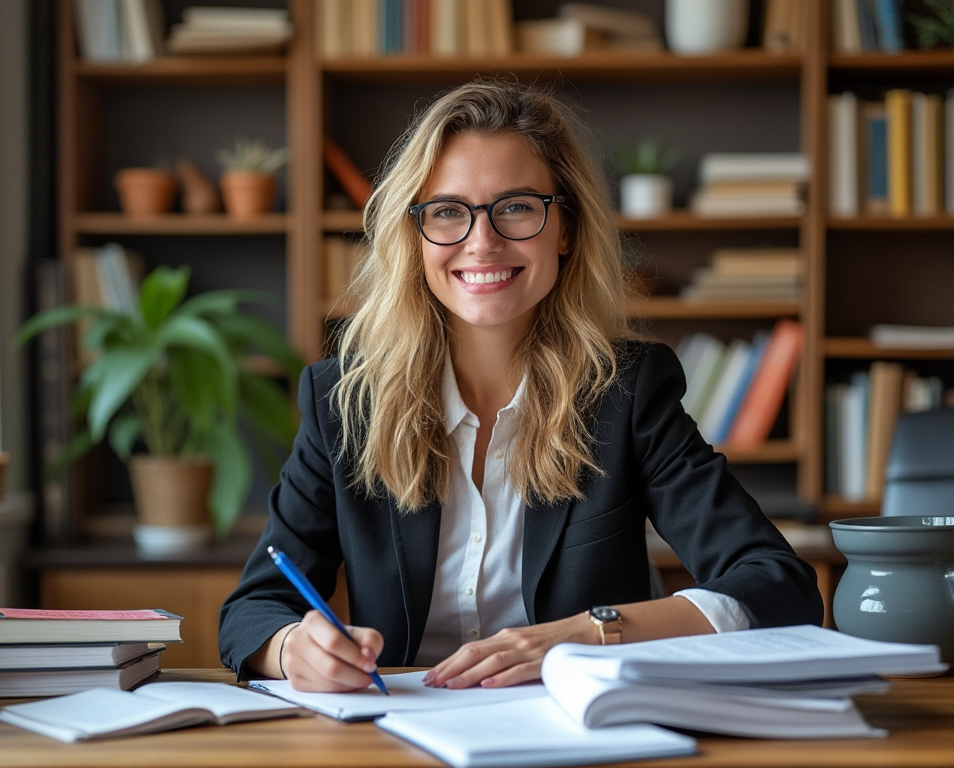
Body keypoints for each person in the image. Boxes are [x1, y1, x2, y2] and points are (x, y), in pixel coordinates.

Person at [218, 77, 823, 693]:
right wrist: (296, 648)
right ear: (414, 236)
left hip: (577, 731)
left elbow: (777, 585)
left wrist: (584, 634)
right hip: (395, 729)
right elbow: (251, 612)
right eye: (448, 211)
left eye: (515, 207)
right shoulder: (342, 400)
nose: (482, 242)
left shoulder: (627, 391)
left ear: (565, 229)